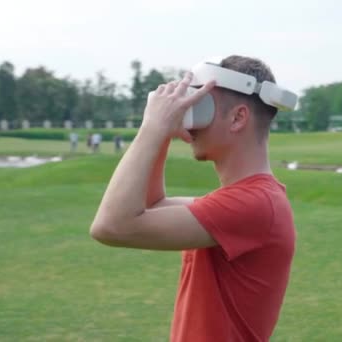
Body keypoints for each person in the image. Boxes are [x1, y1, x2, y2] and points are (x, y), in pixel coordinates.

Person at [90, 56, 296, 341]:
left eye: (201, 106)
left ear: (238, 118)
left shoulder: (255, 205)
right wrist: (161, 134)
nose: (190, 116)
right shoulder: (246, 200)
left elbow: (112, 226)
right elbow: (151, 207)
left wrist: (152, 129)